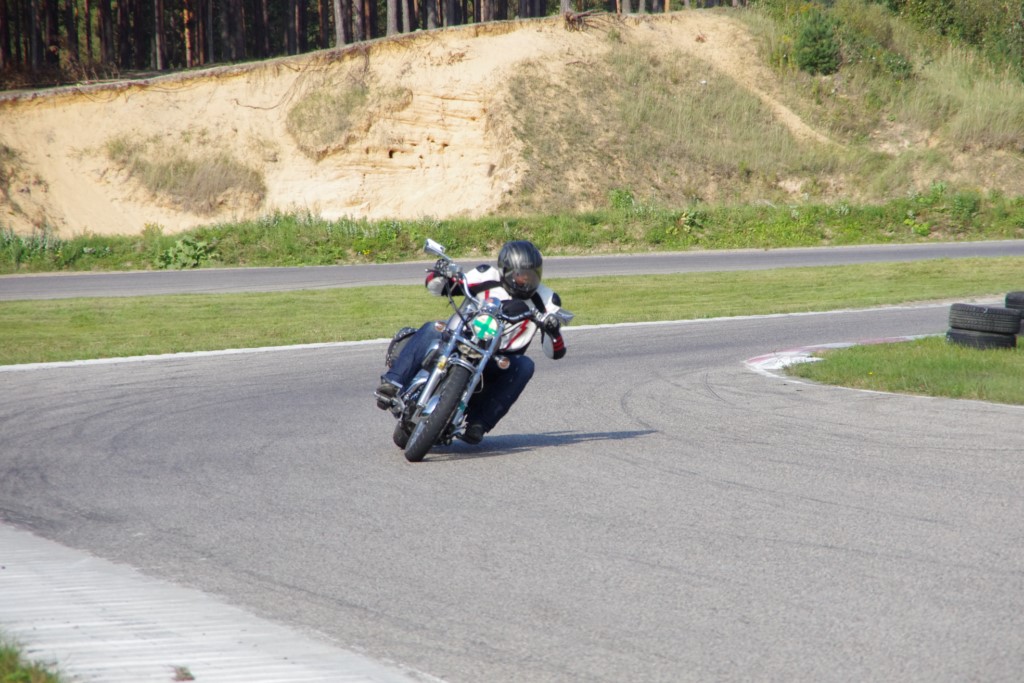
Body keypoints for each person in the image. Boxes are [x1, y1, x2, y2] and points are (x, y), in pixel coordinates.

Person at [376, 240, 567, 445]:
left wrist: (553, 330)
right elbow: (437, 288)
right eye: (521, 275)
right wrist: (441, 274)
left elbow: (554, 353)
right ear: (506, 271)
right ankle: (392, 383)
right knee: (433, 327)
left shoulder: (547, 300)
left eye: (532, 275)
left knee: (526, 365)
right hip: (458, 336)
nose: (526, 281)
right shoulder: (485, 275)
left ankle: (479, 423)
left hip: (497, 359)